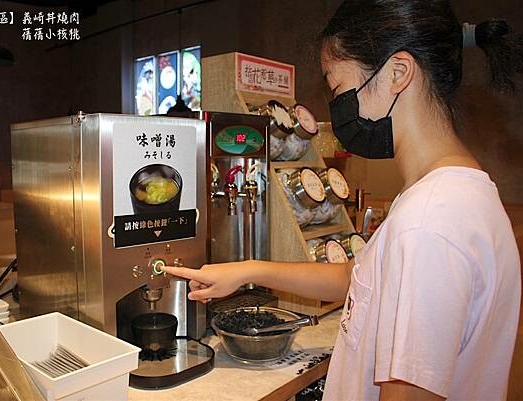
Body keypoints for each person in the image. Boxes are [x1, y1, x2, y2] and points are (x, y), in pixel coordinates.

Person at [163, 1, 522, 400]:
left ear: (398, 73)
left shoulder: (427, 224)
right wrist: (248, 270)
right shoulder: (461, 195)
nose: (338, 108)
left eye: (337, 88)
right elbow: (357, 278)